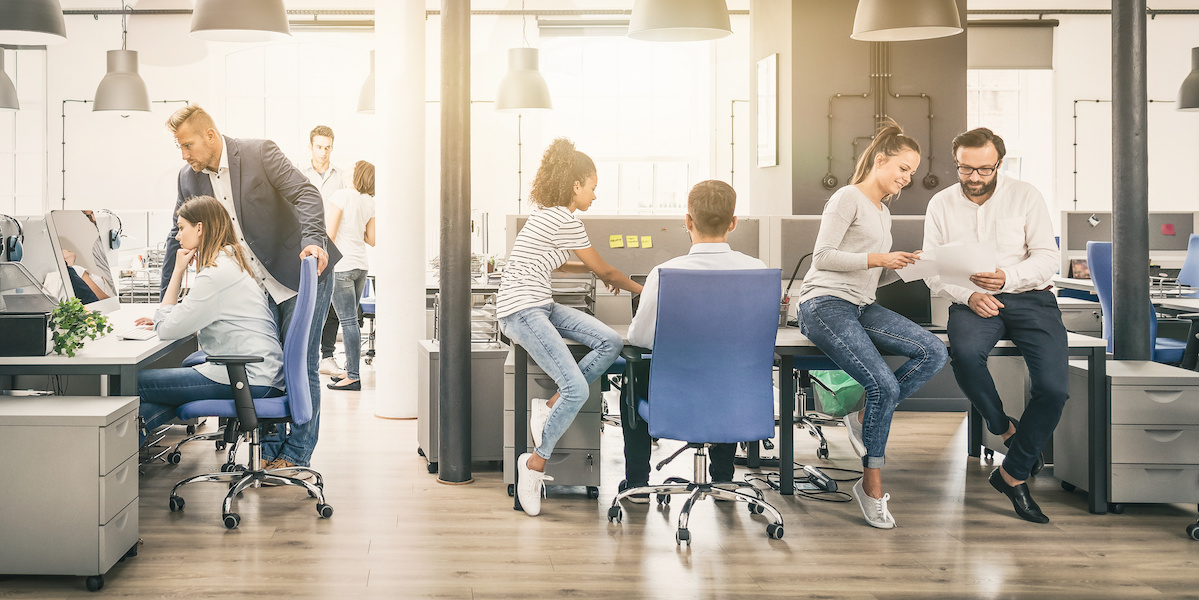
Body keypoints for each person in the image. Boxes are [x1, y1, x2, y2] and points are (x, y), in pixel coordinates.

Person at [163, 104, 341, 471]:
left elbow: (306, 195)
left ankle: (295, 454)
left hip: (300, 271)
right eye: (179, 147)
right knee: (269, 366)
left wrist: (315, 240)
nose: (184, 155)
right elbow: (175, 236)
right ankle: (270, 450)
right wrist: (168, 296)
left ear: (210, 136)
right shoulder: (189, 178)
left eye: (188, 145)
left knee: (301, 363)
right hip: (255, 287)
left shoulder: (259, 153)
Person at [796, 121, 948, 529]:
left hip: (861, 304)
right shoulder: (847, 197)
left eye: (912, 172)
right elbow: (823, 257)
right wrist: (881, 258)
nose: (907, 178)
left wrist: (904, 267)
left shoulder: (883, 213)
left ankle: (863, 418)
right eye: (902, 168)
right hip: (824, 302)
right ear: (879, 160)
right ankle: (871, 485)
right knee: (884, 384)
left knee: (935, 351)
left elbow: (872, 276)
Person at [922, 127, 1064, 524]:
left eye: (984, 169)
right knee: (964, 355)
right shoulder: (941, 204)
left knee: (1053, 389)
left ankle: (1012, 473)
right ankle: (1003, 427)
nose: (974, 177)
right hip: (971, 299)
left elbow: (1046, 257)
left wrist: (1007, 278)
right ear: (957, 163)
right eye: (965, 169)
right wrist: (967, 295)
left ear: (999, 163)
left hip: (1030, 297)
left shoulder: (1025, 196)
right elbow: (933, 268)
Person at [499, 138, 642, 517]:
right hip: (520, 310)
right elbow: (606, 269)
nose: (595, 195)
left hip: (540, 303)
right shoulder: (564, 219)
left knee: (609, 340)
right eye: (592, 187)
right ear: (575, 184)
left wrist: (599, 271)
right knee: (576, 388)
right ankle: (534, 464)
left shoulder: (548, 216)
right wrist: (645, 289)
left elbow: (562, 265)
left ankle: (548, 407)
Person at [620, 179, 765, 501]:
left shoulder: (663, 274)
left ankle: (637, 484)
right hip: (736, 402)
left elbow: (641, 339)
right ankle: (723, 479)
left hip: (675, 405)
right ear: (733, 223)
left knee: (635, 374)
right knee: (726, 372)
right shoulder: (757, 271)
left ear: (688, 222)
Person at [136, 195, 284, 444]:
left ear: (200, 228)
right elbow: (199, 317)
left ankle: (121, 451)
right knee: (164, 390)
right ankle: (132, 444)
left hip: (248, 378)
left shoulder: (215, 274)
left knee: (135, 384)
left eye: (182, 227)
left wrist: (178, 270)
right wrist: (173, 317)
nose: (177, 236)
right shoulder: (232, 263)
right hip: (261, 374)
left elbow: (166, 329)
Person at [301, 125, 348, 378]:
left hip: (334, 245)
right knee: (305, 300)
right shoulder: (299, 173)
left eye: (328, 147)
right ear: (311, 146)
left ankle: (327, 355)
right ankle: (304, 354)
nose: (323, 152)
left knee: (332, 304)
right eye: (319, 146)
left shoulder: (341, 176)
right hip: (306, 244)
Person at [325, 161, 376, 392]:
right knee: (351, 322)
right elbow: (371, 239)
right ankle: (350, 370)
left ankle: (353, 376)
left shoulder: (341, 195)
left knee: (348, 323)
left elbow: (330, 235)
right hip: (361, 266)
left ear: (357, 175)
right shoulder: (368, 201)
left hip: (343, 267)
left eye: (352, 167)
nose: (348, 169)